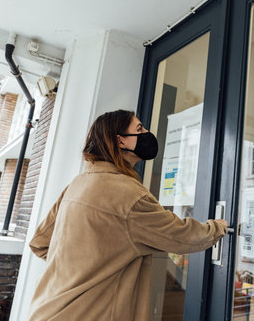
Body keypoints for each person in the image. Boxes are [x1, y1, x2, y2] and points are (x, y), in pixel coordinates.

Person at [28, 110, 228, 320]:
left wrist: (82, 269)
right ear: (121, 140)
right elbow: (180, 236)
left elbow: (40, 243)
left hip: (47, 310)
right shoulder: (128, 195)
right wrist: (218, 227)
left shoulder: (77, 184)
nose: (147, 133)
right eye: (139, 129)